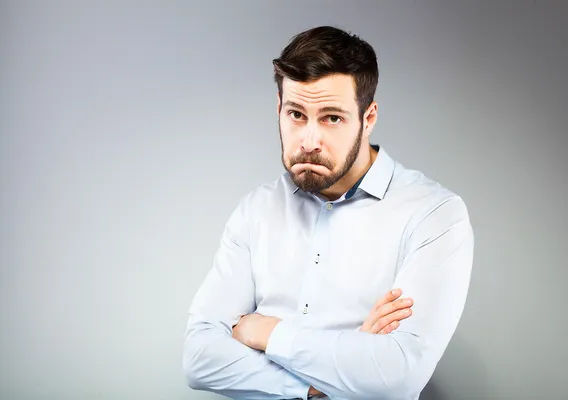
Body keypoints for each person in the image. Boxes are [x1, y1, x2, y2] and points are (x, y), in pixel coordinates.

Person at [182, 25, 474, 400]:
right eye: (296, 114)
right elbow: (199, 358)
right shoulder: (256, 210)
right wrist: (324, 382)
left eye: (331, 118)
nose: (309, 141)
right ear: (279, 109)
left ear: (367, 118)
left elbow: (398, 376)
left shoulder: (433, 215)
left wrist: (266, 332)